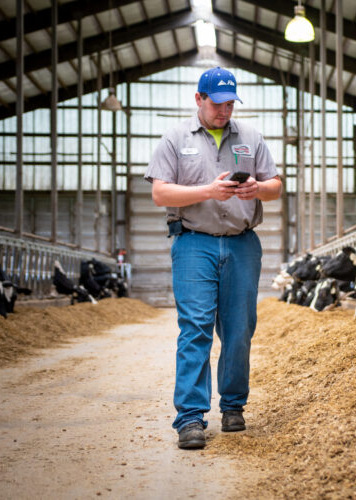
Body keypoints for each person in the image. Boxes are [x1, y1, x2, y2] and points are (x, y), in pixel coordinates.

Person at [145, 67, 282, 449]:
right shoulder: (175, 138)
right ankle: (190, 417)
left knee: (239, 330)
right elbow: (160, 194)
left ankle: (234, 405)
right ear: (199, 100)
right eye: (217, 103)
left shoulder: (251, 136)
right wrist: (208, 191)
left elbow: (275, 186)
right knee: (196, 329)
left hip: (241, 243)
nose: (225, 111)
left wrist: (258, 188)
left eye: (230, 103)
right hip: (193, 243)